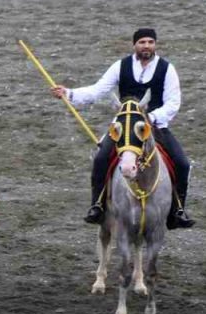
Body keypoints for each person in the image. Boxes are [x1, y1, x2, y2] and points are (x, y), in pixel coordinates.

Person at [50, 27, 195, 229]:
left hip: (153, 126)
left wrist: (149, 118)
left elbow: (173, 102)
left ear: (155, 45)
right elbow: (98, 90)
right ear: (134, 45)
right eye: (142, 42)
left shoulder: (167, 69)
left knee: (182, 163)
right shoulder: (121, 66)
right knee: (101, 158)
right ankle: (98, 205)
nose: (146, 46)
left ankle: (178, 210)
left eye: (150, 42)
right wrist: (69, 93)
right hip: (124, 126)